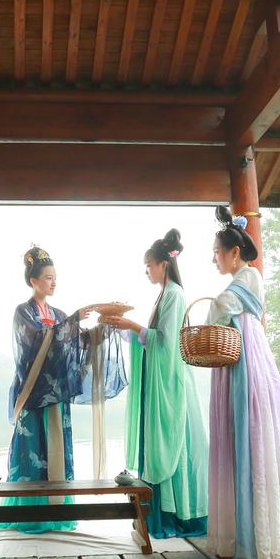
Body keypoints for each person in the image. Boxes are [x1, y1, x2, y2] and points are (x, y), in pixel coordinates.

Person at [206, 206, 280, 559]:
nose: (215, 258)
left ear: (234, 252)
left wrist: (214, 312)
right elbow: (221, 309)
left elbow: (222, 308)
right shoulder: (241, 278)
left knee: (254, 437)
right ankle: (238, 538)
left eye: (218, 252)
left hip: (248, 361)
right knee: (238, 438)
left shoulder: (249, 275)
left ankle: (268, 541)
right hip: (237, 359)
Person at [2, 245, 127, 532]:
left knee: (57, 451)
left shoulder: (58, 314)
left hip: (57, 395)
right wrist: (73, 320)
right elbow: (33, 344)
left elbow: (76, 343)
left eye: (55, 277)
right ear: (33, 280)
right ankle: (29, 515)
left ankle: (58, 512)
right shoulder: (23, 313)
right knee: (33, 452)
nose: (53, 282)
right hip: (34, 394)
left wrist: (101, 330)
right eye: (48, 277)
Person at [101, 229, 208, 538]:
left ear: (164, 264)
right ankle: (157, 514)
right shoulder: (164, 294)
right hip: (159, 379)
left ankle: (176, 516)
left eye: (149, 265)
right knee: (161, 442)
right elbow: (151, 339)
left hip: (171, 382)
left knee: (175, 443)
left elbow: (167, 342)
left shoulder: (174, 294)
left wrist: (133, 325)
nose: (146, 270)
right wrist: (125, 328)